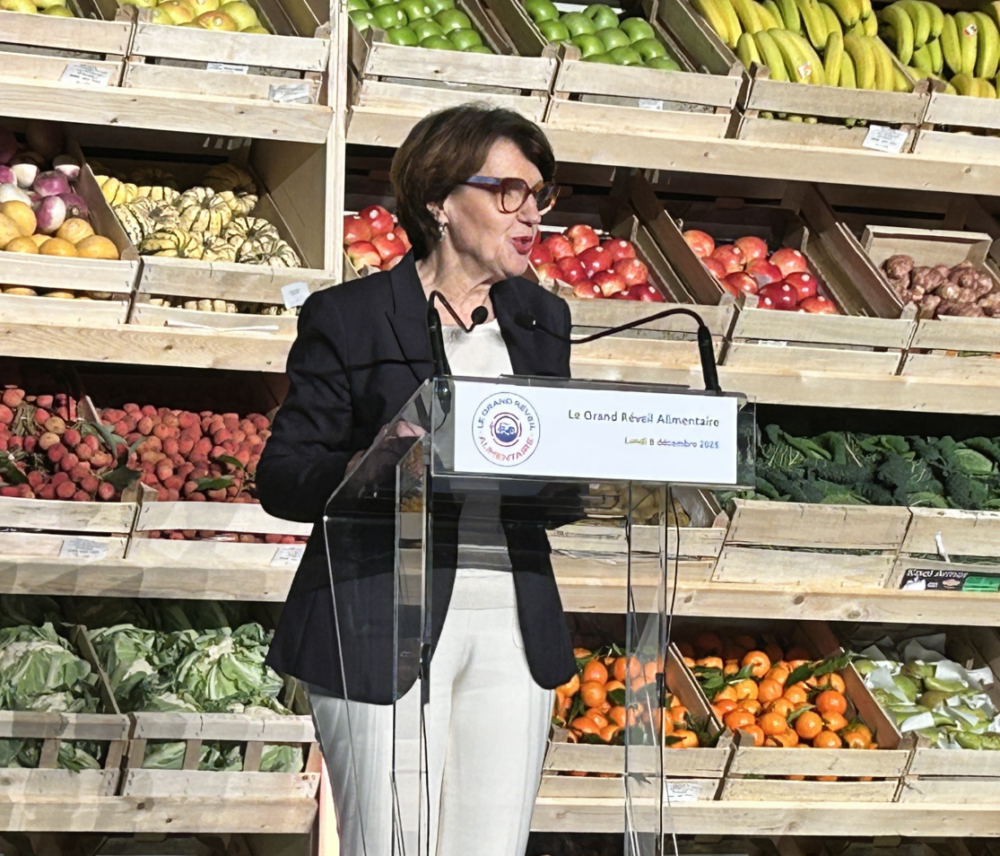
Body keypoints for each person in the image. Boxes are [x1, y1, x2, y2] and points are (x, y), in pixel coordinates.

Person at [256, 103, 578, 856]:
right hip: (379, 616)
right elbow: (284, 475)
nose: (531, 213)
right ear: (439, 201)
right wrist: (376, 465)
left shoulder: (543, 320)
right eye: (510, 191)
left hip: (511, 621)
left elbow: (550, 475)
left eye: (539, 194)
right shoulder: (352, 317)